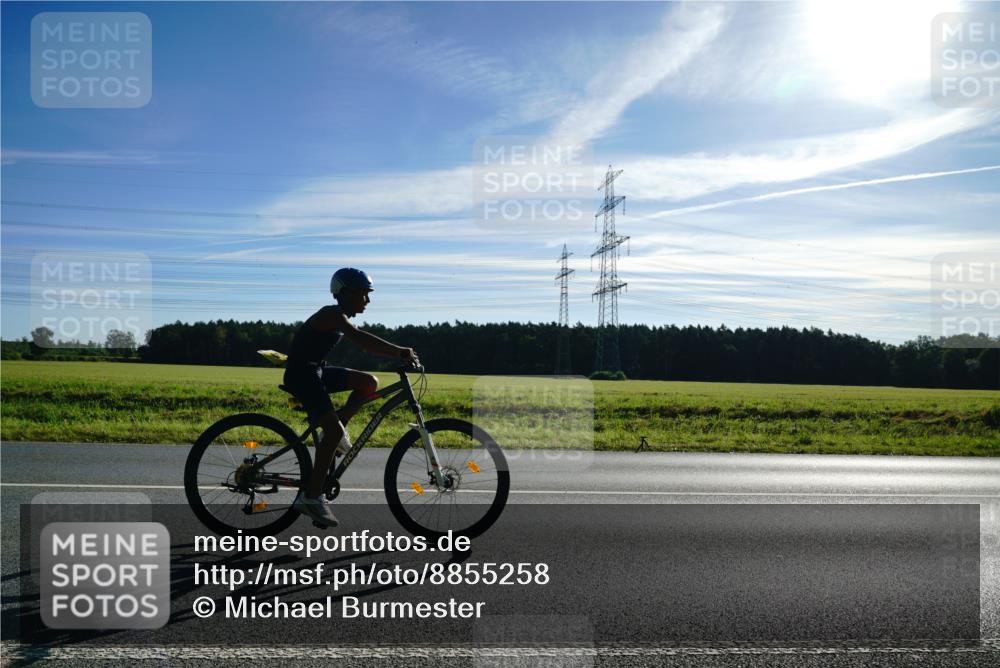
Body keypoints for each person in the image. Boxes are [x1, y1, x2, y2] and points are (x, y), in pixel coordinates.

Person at [285, 268, 418, 527]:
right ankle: (311, 497)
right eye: (363, 294)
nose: (367, 301)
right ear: (344, 293)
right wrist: (399, 351)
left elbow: (362, 339)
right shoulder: (331, 314)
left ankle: (332, 434)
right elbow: (362, 340)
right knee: (334, 433)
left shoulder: (339, 315)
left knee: (368, 383)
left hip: (315, 371)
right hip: (302, 375)